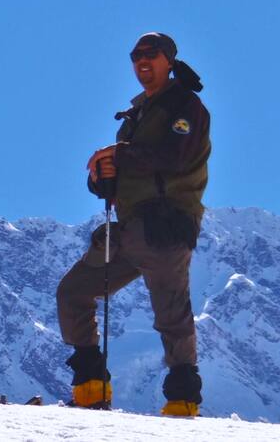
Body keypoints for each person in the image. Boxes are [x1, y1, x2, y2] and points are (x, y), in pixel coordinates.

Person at [56, 32, 211, 416]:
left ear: (169, 61)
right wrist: (102, 179)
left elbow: (176, 156)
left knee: (171, 313)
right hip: (129, 228)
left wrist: (119, 155)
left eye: (151, 54)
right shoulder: (136, 115)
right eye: (136, 55)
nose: (142, 60)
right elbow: (131, 169)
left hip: (166, 225)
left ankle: (183, 402)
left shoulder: (185, 107)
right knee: (73, 292)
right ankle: (90, 389)